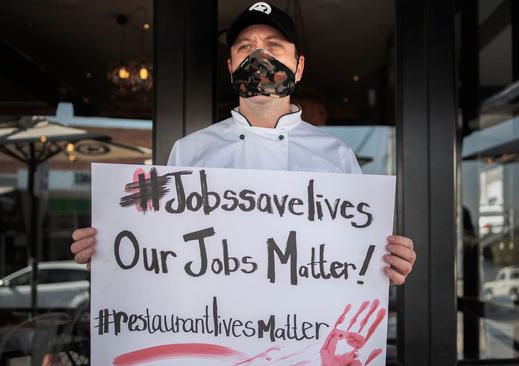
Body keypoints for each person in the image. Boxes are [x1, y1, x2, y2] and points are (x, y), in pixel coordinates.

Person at [71, 1, 416, 285]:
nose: (259, 57)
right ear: (232, 65)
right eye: (246, 48)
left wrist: (389, 265)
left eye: (274, 46)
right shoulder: (190, 151)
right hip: (216, 324)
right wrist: (109, 255)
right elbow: (161, 246)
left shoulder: (336, 156)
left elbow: (353, 254)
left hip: (302, 334)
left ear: (298, 68)